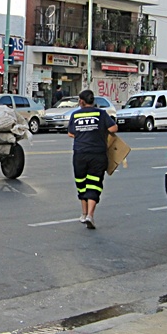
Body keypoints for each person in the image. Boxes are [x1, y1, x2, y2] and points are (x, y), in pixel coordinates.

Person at [67, 89, 118, 230]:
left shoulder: (75, 115)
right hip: (97, 154)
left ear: (81, 101)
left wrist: (83, 132)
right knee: (94, 184)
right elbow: (114, 128)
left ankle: (83, 214)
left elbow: (71, 133)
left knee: (81, 183)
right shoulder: (101, 114)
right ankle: (90, 215)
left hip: (80, 154)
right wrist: (99, 131)